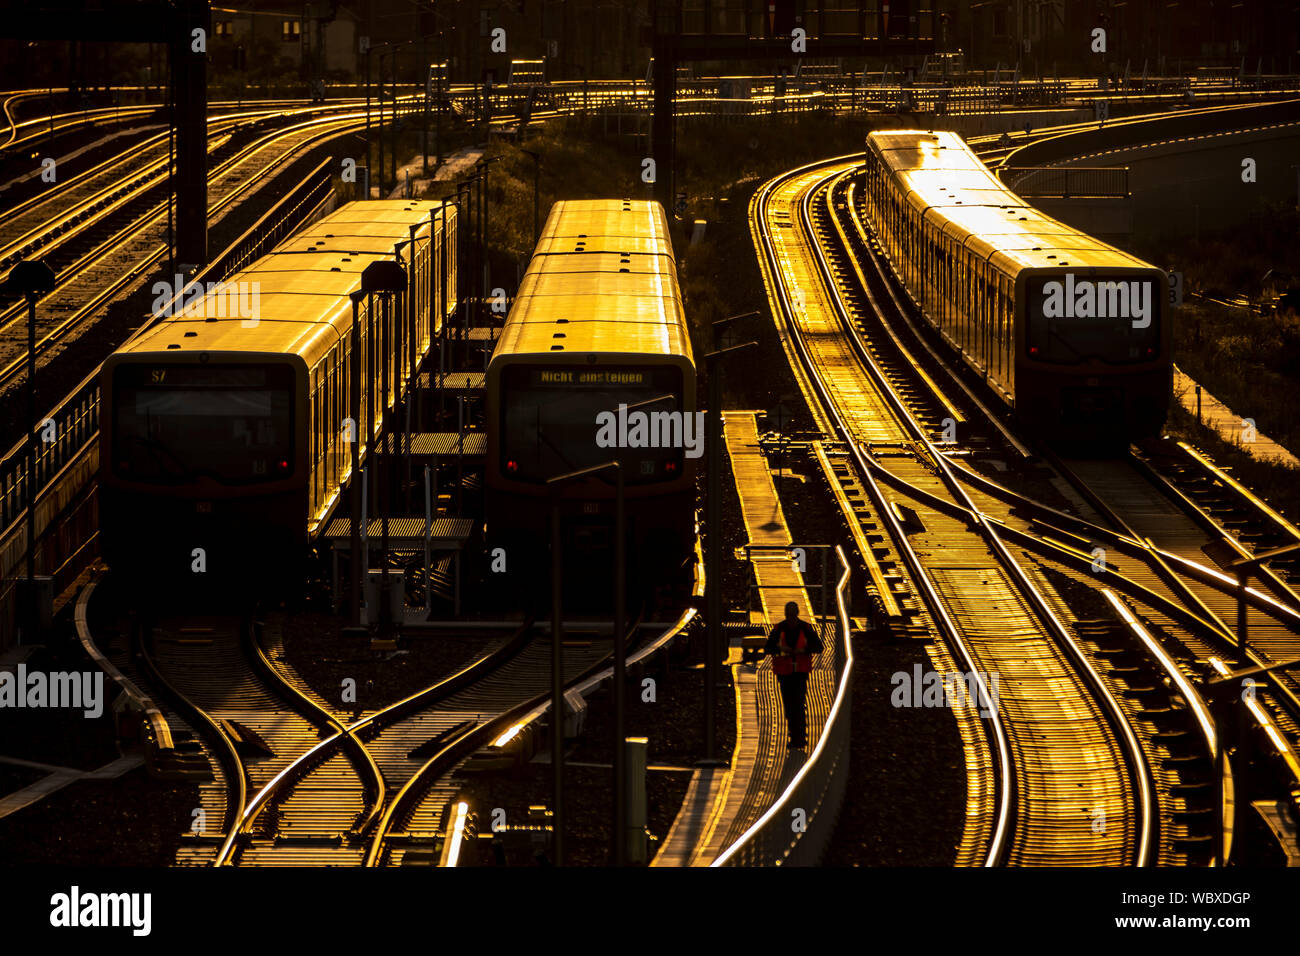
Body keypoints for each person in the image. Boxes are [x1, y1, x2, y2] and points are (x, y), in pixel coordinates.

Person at [764, 601, 823, 750]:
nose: (790, 617)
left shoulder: (806, 628)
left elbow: (818, 647)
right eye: (788, 614)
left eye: (792, 613)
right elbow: (768, 648)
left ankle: (800, 737)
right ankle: (795, 736)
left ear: (796, 613)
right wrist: (780, 648)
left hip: (799, 673)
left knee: (798, 704)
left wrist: (803, 650)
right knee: (790, 706)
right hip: (784, 673)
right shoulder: (779, 628)